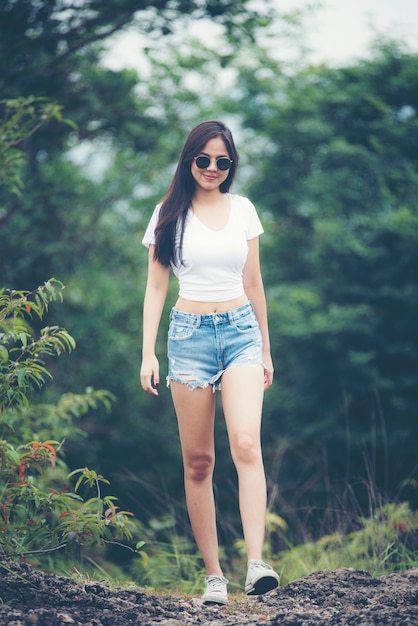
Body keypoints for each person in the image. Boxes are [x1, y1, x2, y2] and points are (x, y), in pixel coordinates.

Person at [140, 120, 279, 605]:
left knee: (246, 442)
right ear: (189, 160)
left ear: (231, 165)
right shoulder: (168, 214)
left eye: (223, 161)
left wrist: (264, 348)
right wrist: (147, 352)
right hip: (189, 338)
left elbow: (254, 282)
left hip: (240, 332)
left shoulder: (244, 211)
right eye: (204, 160)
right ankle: (214, 576)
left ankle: (257, 563)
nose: (213, 169)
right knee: (199, 462)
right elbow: (157, 286)